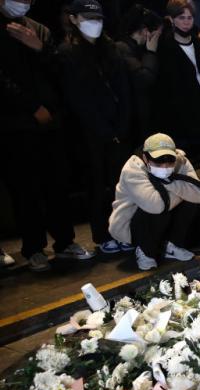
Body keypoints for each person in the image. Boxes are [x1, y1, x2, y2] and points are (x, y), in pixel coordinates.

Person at [1, 0, 96, 271]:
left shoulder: (39, 29)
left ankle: (65, 243)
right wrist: (32, 107)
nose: (23, 3)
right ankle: (33, 248)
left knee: (57, 186)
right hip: (16, 124)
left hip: (51, 123)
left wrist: (39, 48)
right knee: (25, 190)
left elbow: (58, 67)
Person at [60, 0, 131, 255]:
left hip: (117, 129)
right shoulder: (67, 53)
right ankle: (102, 236)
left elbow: (123, 89)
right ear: (74, 19)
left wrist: (121, 125)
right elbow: (77, 98)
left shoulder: (110, 49)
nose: (95, 24)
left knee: (119, 185)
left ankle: (122, 231)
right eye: (89, 18)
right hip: (89, 133)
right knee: (96, 186)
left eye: (99, 19)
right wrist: (103, 129)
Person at [109, 133, 200, 271]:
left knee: (190, 203)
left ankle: (171, 246)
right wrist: (181, 189)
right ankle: (145, 251)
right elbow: (156, 206)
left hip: (162, 208)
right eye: (158, 161)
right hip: (132, 220)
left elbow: (199, 195)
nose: (165, 166)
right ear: (145, 158)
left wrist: (169, 184)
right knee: (158, 209)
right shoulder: (132, 169)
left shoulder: (181, 160)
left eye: (169, 160)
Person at [155, 0, 200, 159]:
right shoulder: (164, 47)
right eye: (181, 17)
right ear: (171, 19)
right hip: (178, 123)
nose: (186, 21)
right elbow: (162, 89)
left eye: (189, 18)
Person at [116, 4, 161, 144]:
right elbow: (144, 79)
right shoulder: (123, 48)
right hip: (133, 125)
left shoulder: (135, 49)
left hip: (140, 120)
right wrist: (151, 52)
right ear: (145, 31)